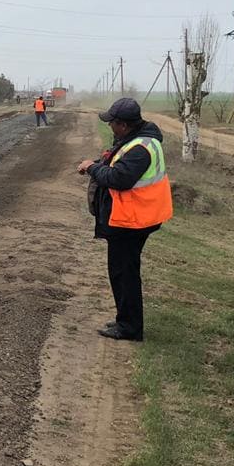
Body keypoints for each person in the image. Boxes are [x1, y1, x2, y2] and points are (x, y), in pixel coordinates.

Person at [77, 97, 173, 341]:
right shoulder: (134, 141)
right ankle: (125, 319)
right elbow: (116, 165)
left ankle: (129, 328)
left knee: (125, 274)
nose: (109, 126)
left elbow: (119, 178)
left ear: (124, 125)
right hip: (132, 218)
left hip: (133, 220)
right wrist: (99, 164)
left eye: (112, 123)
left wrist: (92, 168)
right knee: (121, 272)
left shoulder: (141, 148)